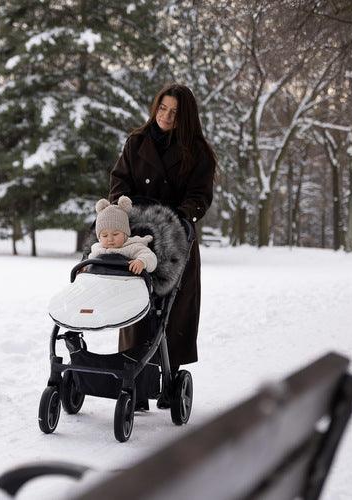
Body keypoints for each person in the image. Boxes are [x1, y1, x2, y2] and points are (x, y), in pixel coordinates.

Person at [108, 83, 217, 409]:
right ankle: (135, 385)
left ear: (186, 117)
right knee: (135, 308)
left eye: (174, 112)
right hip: (136, 236)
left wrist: (178, 217)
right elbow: (119, 180)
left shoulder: (198, 153)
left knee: (172, 313)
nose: (166, 117)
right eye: (162, 109)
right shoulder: (137, 142)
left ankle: (169, 380)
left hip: (174, 240)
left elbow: (200, 196)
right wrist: (123, 208)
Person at [87, 196, 157, 274]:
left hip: (126, 281)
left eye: (115, 234)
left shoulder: (133, 247)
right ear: (99, 238)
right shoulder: (97, 249)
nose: (110, 239)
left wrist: (142, 261)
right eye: (105, 236)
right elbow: (90, 263)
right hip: (102, 282)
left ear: (125, 234)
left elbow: (151, 257)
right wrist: (85, 268)